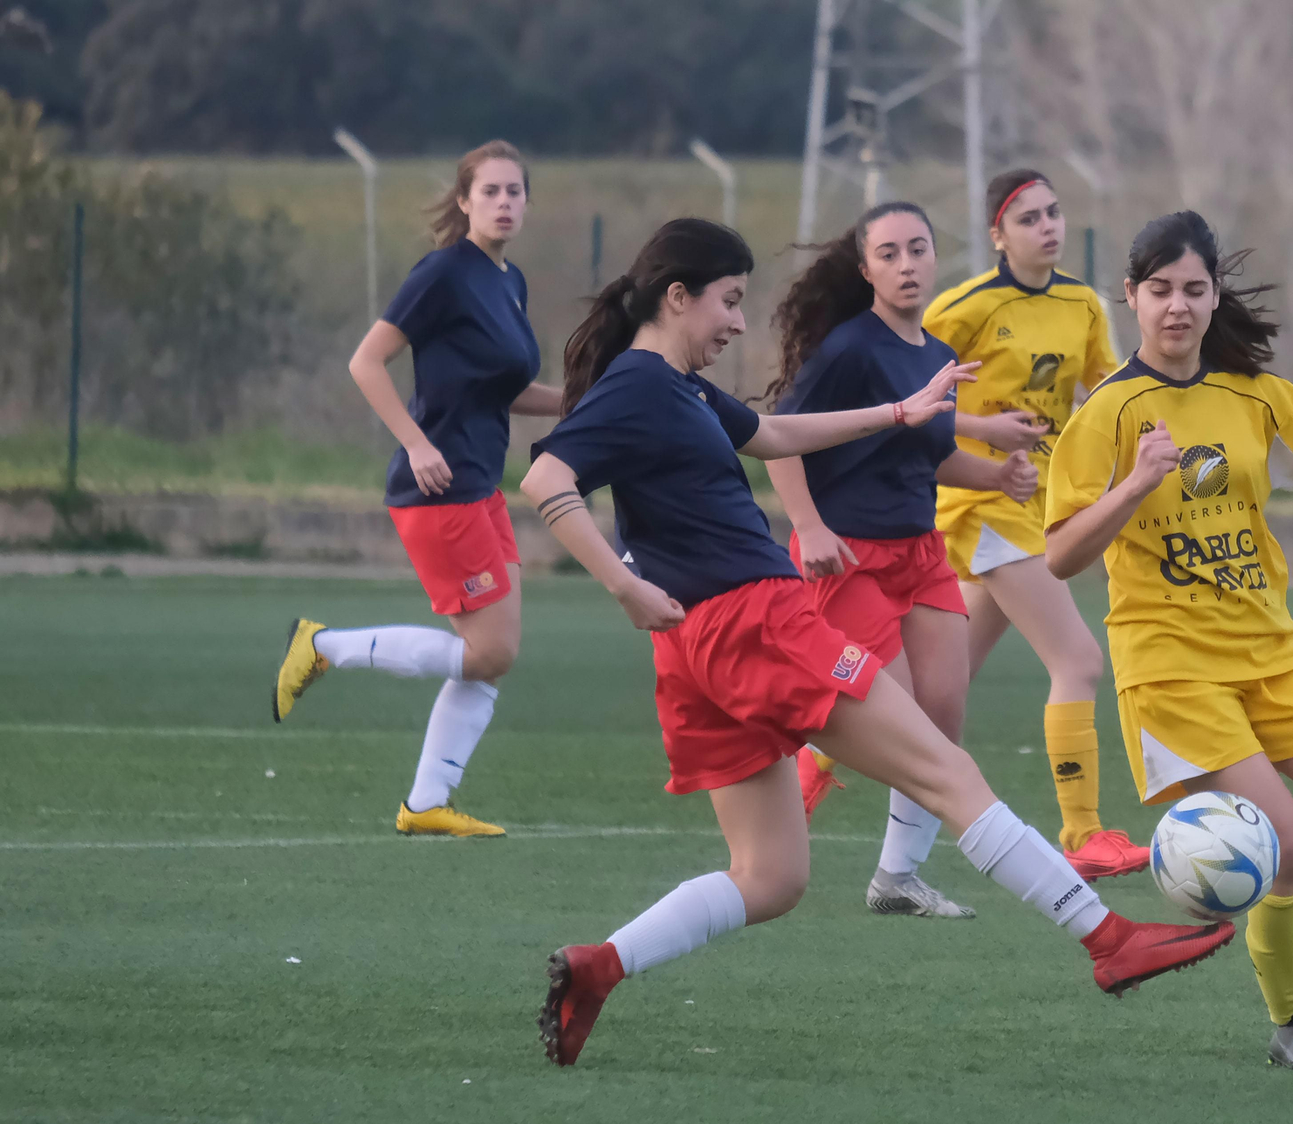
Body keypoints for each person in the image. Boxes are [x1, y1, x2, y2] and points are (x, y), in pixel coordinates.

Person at [517, 217, 1235, 1068]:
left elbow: (776, 435)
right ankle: (1109, 940)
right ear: (677, 297)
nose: (739, 323)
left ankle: (601, 966)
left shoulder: (679, 385)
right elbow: (545, 479)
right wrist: (623, 585)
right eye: (729, 303)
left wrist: (904, 412)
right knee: (948, 770)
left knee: (772, 877)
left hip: (696, 649)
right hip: (755, 623)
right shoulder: (641, 385)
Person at [1044, 211, 1293, 1073]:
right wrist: (1136, 483)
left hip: (1270, 651)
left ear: (1214, 294)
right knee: (1286, 838)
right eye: (1159, 291)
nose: (1177, 307)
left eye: (1193, 289)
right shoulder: (1109, 413)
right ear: (1131, 298)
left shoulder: (1255, 395)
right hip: (1170, 666)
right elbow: (1061, 553)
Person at [799, 170, 1151, 883]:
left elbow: (1109, 392)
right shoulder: (961, 309)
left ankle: (820, 768)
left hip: (1029, 501)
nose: (1046, 227)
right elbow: (905, 401)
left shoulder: (1083, 303)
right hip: (974, 511)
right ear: (997, 235)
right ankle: (1082, 832)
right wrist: (988, 434)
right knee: (1078, 660)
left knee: (934, 704)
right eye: (1027, 218)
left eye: (1054, 213)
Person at [271, 140, 558, 838]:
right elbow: (366, 361)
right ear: (463, 202)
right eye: (489, 191)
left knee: (495, 655)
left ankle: (427, 803)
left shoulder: (508, 280)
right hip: (439, 488)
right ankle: (324, 645)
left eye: (515, 192)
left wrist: (581, 401)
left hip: (482, 484)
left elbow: (505, 389)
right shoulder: (444, 273)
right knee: (488, 651)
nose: (504, 203)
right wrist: (416, 441)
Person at [763, 201, 1038, 919]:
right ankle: (806, 764)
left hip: (921, 553)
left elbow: (935, 457)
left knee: (941, 718)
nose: (907, 263)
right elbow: (777, 437)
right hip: (845, 556)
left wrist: (999, 476)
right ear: (866, 271)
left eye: (918, 248)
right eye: (889, 253)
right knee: (894, 726)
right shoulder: (849, 350)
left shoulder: (939, 355)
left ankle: (896, 879)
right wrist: (808, 526)